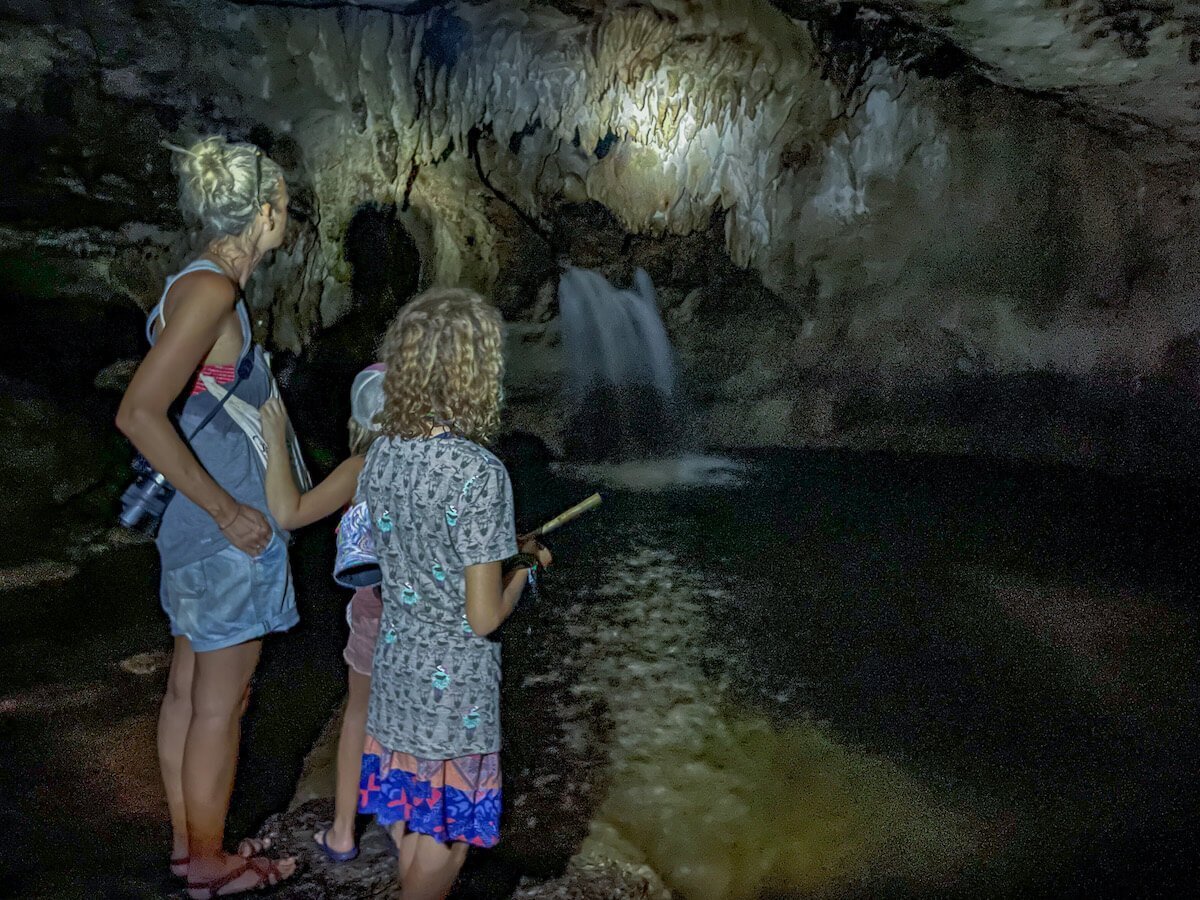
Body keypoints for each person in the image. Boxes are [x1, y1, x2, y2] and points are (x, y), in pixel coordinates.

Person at [116, 136, 296, 898]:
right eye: (283, 206)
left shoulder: (192, 284)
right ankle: (211, 865)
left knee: (191, 693)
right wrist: (229, 511)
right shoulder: (213, 291)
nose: (287, 218)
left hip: (193, 527)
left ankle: (192, 850)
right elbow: (140, 411)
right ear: (261, 213)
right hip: (224, 532)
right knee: (221, 703)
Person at [356, 287, 551, 900]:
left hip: (396, 665)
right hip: (454, 687)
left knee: (417, 814)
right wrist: (526, 564)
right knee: (450, 833)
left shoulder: (381, 452)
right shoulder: (478, 472)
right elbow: (484, 615)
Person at [259, 364, 387, 863]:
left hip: (376, 613)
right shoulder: (432, 466)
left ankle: (342, 832)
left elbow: (289, 512)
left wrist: (274, 438)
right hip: (428, 622)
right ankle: (409, 824)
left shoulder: (359, 469)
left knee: (359, 713)